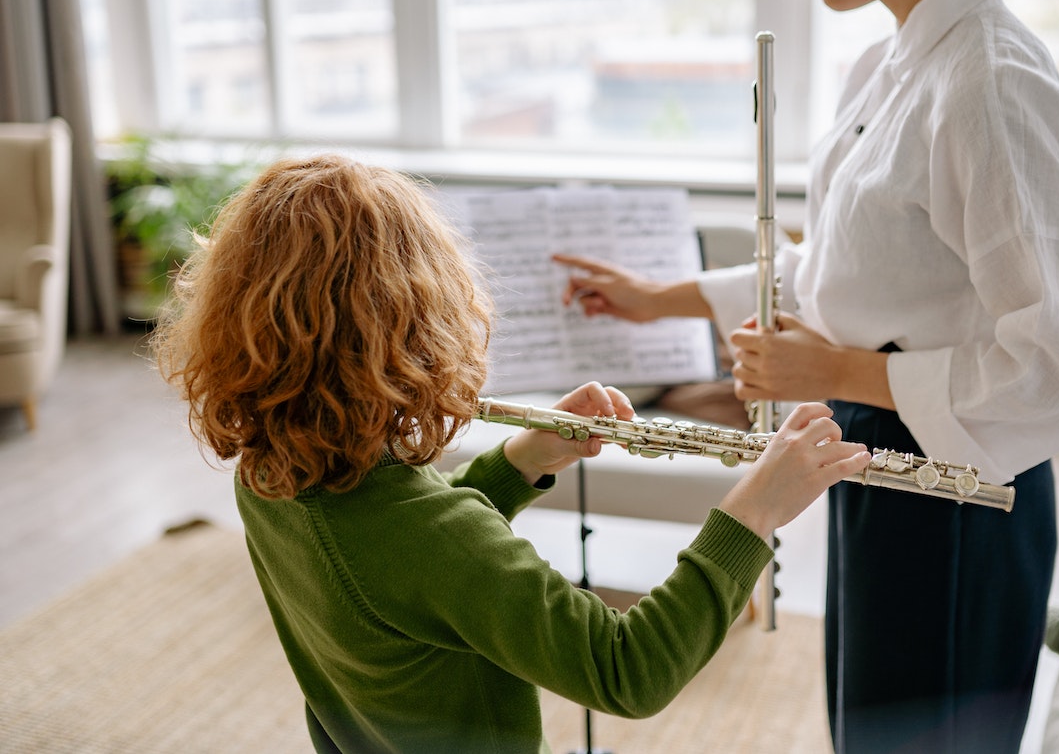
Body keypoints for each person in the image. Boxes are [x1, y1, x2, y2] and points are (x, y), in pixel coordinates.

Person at [552, 0, 1059, 752]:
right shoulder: (887, 66)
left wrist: (833, 371)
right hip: (876, 447)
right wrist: (656, 297)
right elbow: (840, 267)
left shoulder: (992, 83)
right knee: (867, 722)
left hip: (959, 474)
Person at [151, 154, 872, 754]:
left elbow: (406, 575)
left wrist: (519, 459)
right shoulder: (432, 538)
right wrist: (753, 511)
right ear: (413, 333)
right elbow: (628, 670)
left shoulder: (268, 474)